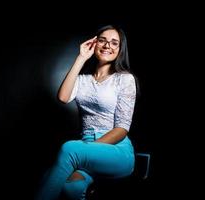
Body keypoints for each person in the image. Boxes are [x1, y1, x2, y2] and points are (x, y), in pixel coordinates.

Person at [35, 25, 138, 200]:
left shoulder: (125, 80)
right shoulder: (83, 80)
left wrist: (85, 152)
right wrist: (81, 58)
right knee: (71, 188)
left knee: (69, 149)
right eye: (103, 40)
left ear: (120, 50)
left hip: (116, 149)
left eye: (114, 43)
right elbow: (63, 97)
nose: (107, 46)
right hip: (85, 148)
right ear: (94, 43)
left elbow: (122, 129)